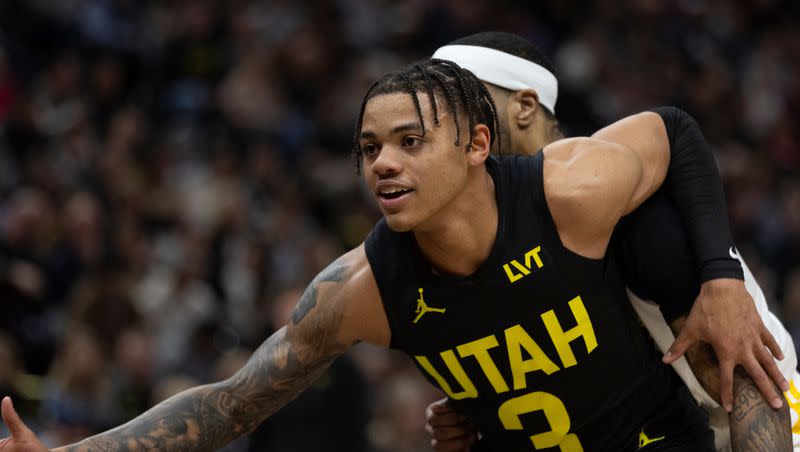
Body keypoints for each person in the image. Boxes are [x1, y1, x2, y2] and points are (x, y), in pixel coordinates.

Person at [0, 58, 789, 450]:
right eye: (371, 146)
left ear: (479, 144)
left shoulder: (569, 194)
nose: (383, 162)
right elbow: (233, 402)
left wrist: (722, 275)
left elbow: (675, 129)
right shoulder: (362, 286)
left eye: (411, 143)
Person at [424, 31, 799, 451]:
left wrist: (723, 273)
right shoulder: (505, 235)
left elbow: (747, 384)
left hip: (768, 415)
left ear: (525, 106)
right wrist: (482, 408)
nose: (447, 126)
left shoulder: (614, 190)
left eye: (461, 103)